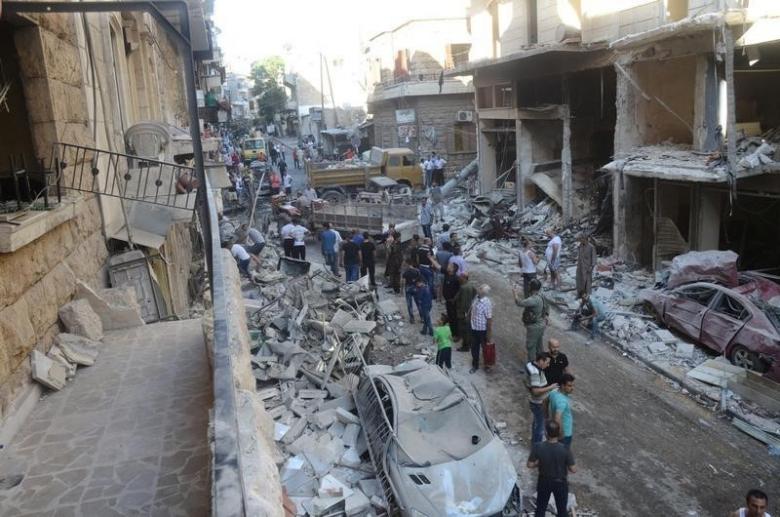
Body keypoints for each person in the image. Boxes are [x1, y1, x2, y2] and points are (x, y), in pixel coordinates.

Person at [527, 420, 577, 517]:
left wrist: (539, 462)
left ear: (546, 433)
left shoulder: (538, 447)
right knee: (562, 510)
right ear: (558, 433)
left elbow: (530, 464)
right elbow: (573, 469)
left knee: (541, 508)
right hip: (560, 483)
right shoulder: (565, 449)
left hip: (544, 481)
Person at [525, 351, 558, 444]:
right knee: (540, 427)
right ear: (540, 361)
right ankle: (537, 446)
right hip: (537, 403)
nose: (547, 366)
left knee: (537, 422)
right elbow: (535, 392)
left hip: (535, 401)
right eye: (547, 363)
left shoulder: (530, 364)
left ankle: (535, 441)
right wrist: (551, 387)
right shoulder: (535, 373)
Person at [513, 278, 549, 361]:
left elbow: (519, 302)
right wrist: (546, 317)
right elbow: (547, 307)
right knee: (539, 346)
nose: (528, 286)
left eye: (529, 285)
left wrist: (514, 293)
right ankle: (542, 364)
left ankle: (532, 366)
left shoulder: (533, 299)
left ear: (532, 288)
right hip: (541, 324)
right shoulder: (541, 296)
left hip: (534, 327)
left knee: (531, 346)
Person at [468, 284, 493, 373]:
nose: (478, 289)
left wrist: (489, 334)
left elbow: (489, 319)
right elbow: (472, 308)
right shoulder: (476, 297)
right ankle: (475, 365)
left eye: (480, 289)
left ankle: (487, 365)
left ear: (484, 293)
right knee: (474, 348)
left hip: (482, 330)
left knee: (485, 348)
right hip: (474, 327)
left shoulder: (487, 303)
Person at [548, 373, 575, 449]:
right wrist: (560, 433)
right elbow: (557, 417)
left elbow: (545, 401)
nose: (572, 388)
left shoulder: (554, 391)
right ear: (563, 386)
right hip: (565, 434)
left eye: (572, 385)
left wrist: (546, 416)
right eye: (569, 386)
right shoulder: (562, 401)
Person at [454, 273, 476, 352]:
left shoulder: (462, 288)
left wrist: (461, 310)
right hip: (468, 311)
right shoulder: (471, 286)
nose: (459, 278)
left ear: (464, 278)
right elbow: (475, 293)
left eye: (460, 277)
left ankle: (465, 346)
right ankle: (468, 343)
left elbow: (459, 299)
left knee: (464, 329)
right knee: (468, 329)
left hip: (462, 312)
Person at [441, 261, 460, 340]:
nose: (448, 266)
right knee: (451, 316)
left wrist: (454, 299)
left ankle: (456, 335)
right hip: (448, 301)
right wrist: (430, 258)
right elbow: (439, 266)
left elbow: (459, 291)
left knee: (454, 318)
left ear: (453, 269)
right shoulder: (447, 274)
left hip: (453, 302)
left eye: (450, 265)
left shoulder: (456, 279)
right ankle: (452, 332)